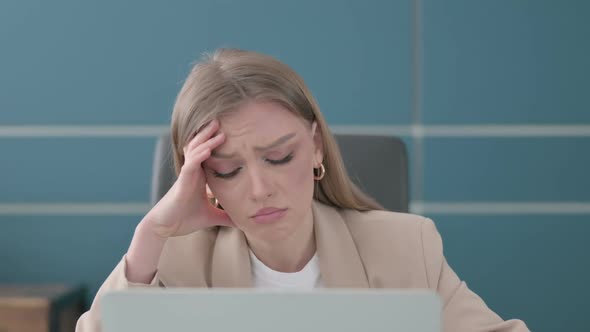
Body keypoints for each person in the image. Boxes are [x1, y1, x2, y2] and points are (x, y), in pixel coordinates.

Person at [76, 48, 529, 332]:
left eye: (278, 157)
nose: (259, 189)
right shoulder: (170, 264)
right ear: (204, 180)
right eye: (229, 169)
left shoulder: (406, 246)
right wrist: (152, 235)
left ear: (315, 146)